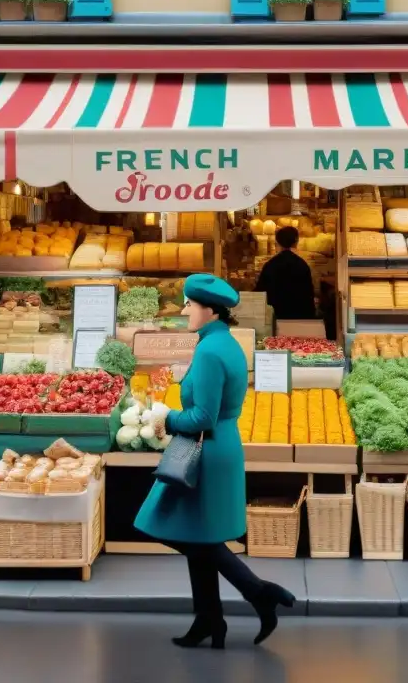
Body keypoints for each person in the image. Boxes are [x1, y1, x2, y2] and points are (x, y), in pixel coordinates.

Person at [134, 273, 295, 649]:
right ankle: (210, 618)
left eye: (189, 304)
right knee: (197, 534)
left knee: (186, 533)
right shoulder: (226, 343)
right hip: (222, 446)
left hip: (204, 450)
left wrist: (164, 418)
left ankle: (258, 592)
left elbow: (202, 417)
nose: (185, 309)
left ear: (208, 310)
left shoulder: (208, 351)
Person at [254, 226, 315, 321]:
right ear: (296, 242)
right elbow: (308, 295)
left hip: (276, 316)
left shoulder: (270, 265)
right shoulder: (302, 265)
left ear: (277, 241)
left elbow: (260, 292)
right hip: (299, 317)